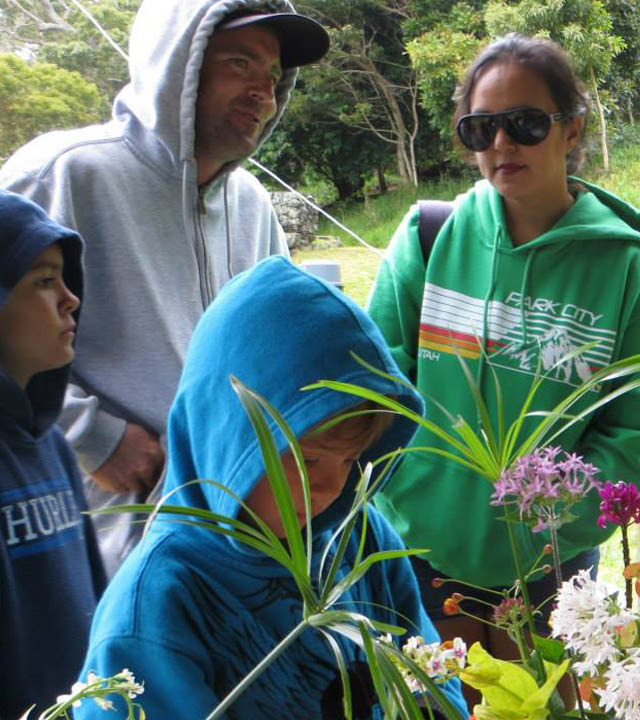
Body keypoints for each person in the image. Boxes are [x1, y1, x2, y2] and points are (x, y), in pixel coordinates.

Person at [367, 33, 640, 656]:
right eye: (481, 129)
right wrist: (407, 490)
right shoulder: (430, 236)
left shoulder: (622, 267)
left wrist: (556, 520)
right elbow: (377, 380)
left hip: (550, 568)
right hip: (420, 552)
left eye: (526, 123)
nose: (502, 144)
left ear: (572, 128)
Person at [0, 0, 330, 576]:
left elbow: (282, 352)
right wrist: (93, 436)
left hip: (229, 538)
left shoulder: (250, 207)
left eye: (273, 77)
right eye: (239, 63)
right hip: (95, 531)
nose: (263, 93)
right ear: (178, 61)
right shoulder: (64, 172)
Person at [75, 257, 468, 719]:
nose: (329, 484)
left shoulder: (361, 538)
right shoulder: (157, 601)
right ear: (227, 435)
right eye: (305, 459)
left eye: (348, 459)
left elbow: (429, 674)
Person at [0, 191, 107, 718]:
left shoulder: (55, 448)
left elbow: (96, 602)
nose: (71, 299)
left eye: (66, 279)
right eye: (43, 281)